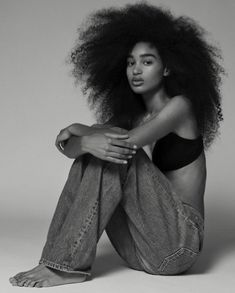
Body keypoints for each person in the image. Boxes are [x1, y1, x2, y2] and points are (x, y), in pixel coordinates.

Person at [9, 1, 224, 288]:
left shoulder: (179, 107)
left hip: (178, 245)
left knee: (110, 140)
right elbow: (75, 149)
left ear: (167, 69)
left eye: (147, 62)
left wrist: (79, 131)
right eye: (130, 62)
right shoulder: (132, 116)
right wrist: (83, 139)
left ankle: (65, 266)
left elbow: (123, 143)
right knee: (102, 143)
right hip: (141, 250)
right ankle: (57, 261)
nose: (136, 69)